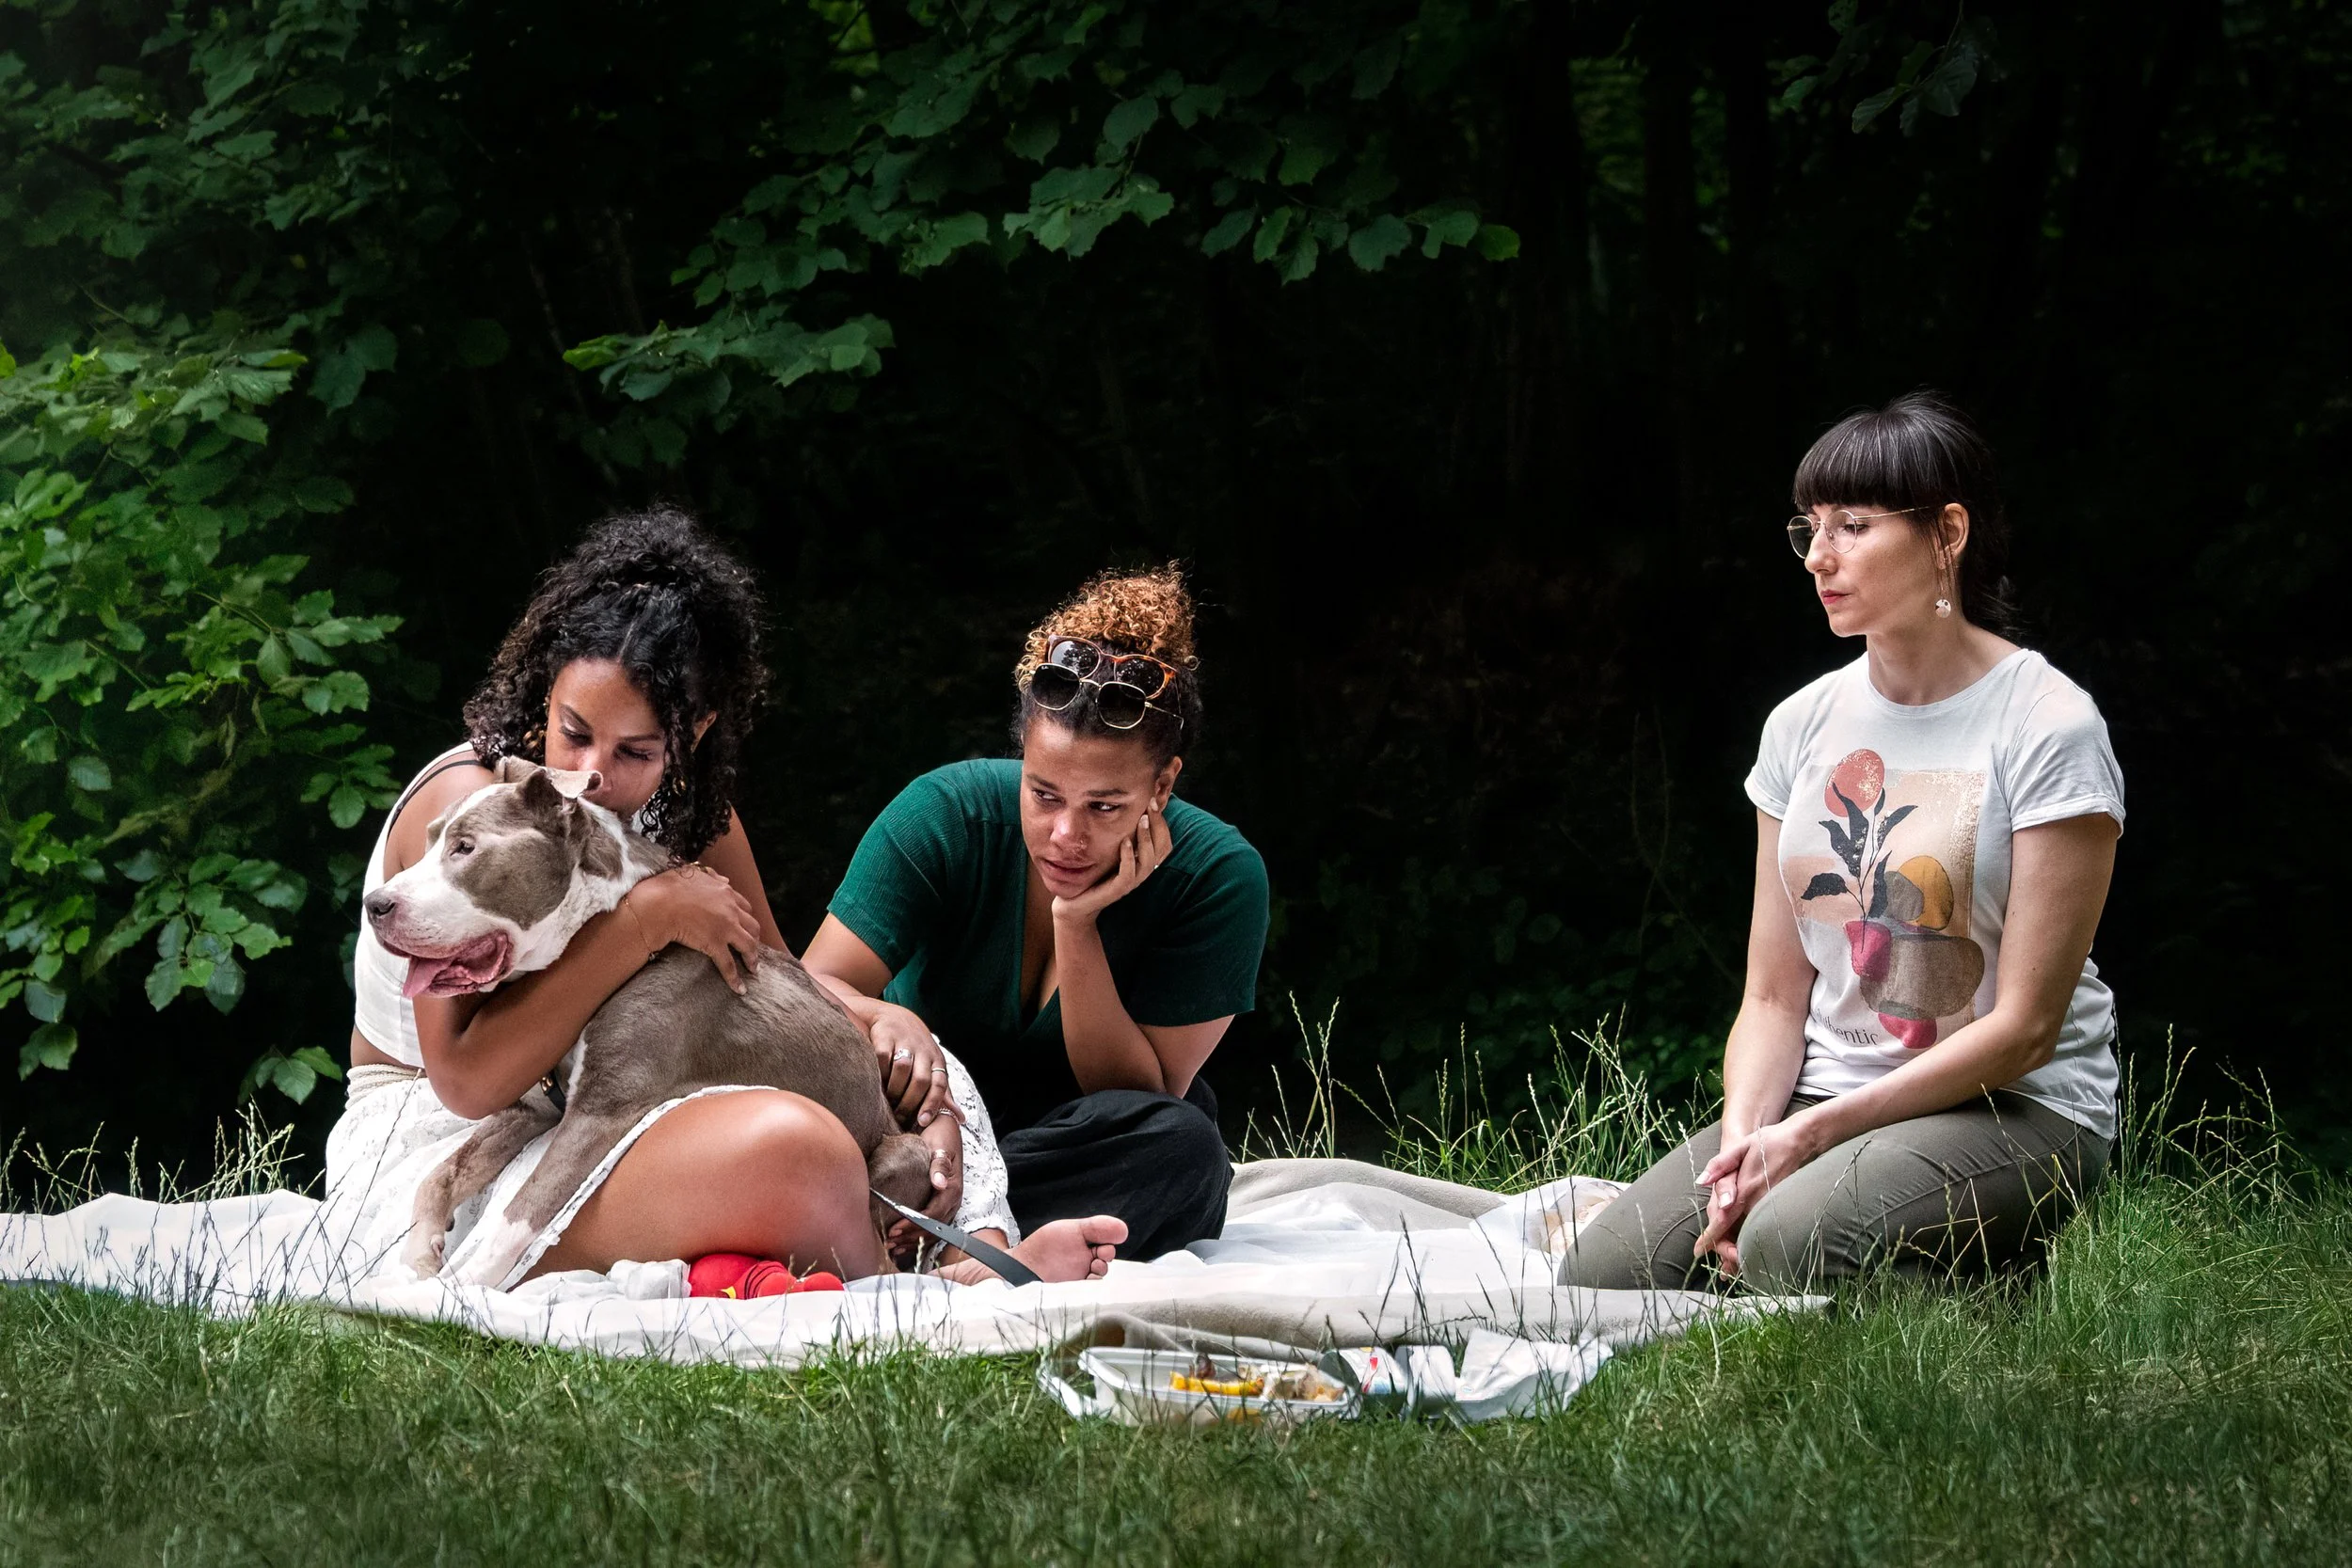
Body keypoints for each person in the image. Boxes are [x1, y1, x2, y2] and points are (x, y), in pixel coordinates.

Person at [324, 509, 1121, 1287]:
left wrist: (893, 1033)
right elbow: (465, 1084)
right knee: (795, 1149)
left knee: (927, 1059)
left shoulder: (695, 824)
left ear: (692, 733)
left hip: (608, 1117)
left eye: (636, 749)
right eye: (573, 731)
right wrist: (646, 921)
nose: (595, 772)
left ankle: (977, 1251)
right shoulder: (471, 807)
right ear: (544, 692)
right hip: (442, 1141)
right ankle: (904, 1275)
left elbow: (778, 985)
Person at [1560, 391, 2125, 1292]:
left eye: (1853, 525)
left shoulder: (2047, 724)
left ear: (1947, 532)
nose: (1819, 556)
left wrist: (1814, 1138)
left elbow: (2026, 1029)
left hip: (2017, 1107)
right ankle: (1871, 1244)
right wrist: (1746, 1147)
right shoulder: (1801, 724)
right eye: (1810, 527)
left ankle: (2002, 1289)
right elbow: (1776, 995)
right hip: (1821, 1095)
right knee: (1604, 1277)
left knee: (1791, 1243)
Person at [804, 564, 1270, 1261]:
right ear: (1020, 758)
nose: (1065, 836)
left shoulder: (1219, 876)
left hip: (1079, 1137)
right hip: (926, 1121)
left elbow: (1140, 1094)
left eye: (1103, 806)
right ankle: (970, 1235)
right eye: (1044, 794)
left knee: (1186, 1149)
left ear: (1162, 784)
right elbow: (808, 988)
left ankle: (925, 1229)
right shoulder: (947, 813)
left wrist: (1077, 924)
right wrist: (883, 1015)